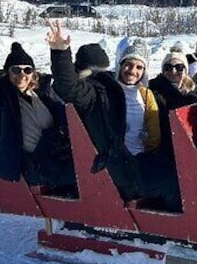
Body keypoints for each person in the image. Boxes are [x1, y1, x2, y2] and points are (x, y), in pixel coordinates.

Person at [45, 22, 180, 210]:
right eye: (128, 64)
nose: (133, 71)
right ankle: (173, 232)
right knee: (173, 183)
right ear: (120, 64)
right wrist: (60, 52)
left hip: (143, 159)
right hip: (120, 167)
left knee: (186, 175)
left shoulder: (145, 94)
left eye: (139, 67)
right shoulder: (101, 92)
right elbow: (69, 88)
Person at [0, 21, 76, 194]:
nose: (22, 75)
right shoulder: (0, 98)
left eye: (27, 70)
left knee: (93, 168)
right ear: (7, 72)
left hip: (57, 155)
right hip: (33, 164)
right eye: (16, 70)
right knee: (84, 176)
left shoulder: (45, 93)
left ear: (33, 73)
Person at [149, 43, 197, 158]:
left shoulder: (195, 91)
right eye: (168, 67)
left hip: (190, 149)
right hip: (165, 150)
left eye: (179, 67)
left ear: (186, 70)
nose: (173, 71)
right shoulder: (154, 91)